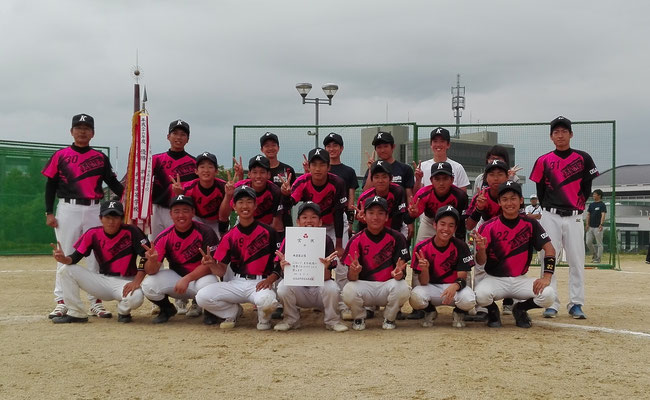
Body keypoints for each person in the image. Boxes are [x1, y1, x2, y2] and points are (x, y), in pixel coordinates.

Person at [43, 113, 123, 319]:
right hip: (68, 208)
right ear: (71, 131)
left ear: (93, 133)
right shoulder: (60, 155)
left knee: (96, 256)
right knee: (65, 255)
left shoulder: (99, 157)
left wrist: (131, 199)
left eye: (86, 128)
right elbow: (50, 184)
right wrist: (48, 212)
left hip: (94, 209)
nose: (82, 131)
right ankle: (62, 302)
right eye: (78, 127)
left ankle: (95, 302)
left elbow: (113, 184)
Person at [530, 116, 599, 319]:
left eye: (564, 131)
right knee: (548, 258)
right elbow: (540, 190)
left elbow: (587, 187)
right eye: (556, 132)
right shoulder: (543, 160)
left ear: (571, 134)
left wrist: (576, 206)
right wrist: (549, 209)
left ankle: (576, 303)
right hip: (550, 215)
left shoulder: (583, 158)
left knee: (576, 260)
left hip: (574, 216)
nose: (560, 135)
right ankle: (551, 302)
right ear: (551, 137)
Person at [473, 181, 557, 328]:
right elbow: (480, 262)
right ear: (499, 202)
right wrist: (481, 249)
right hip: (495, 279)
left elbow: (550, 250)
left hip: (520, 280)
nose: (509, 203)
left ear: (521, 200)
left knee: (549, 294)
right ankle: (493, 311)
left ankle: (520, 309)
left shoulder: (531, 224)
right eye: (504, 199)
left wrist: (546, 277)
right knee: (480, 295)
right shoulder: (488, 226)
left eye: (513, 198)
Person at [195, 185, 280, 330]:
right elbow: (221, 271)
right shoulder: (229, 236)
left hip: (260, 282)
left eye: (249, 201)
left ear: (255, 205)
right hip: (236, 282)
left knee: (267, 302)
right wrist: (211, 264)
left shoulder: (269, 232)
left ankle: (264, 319)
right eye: (240, 202)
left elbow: (279, 262)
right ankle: (233, 312)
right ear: (234, 206)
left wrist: (270, 279)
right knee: (202, 296)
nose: (244, 206)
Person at [50, 201, 147, 323]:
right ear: (100, 218)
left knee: (136, 297)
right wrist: (63, 259)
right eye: (107, 217)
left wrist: (136, 281)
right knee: (66, 269)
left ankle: (123, 311)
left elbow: (146, 256)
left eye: (116, 217)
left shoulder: (132, 231)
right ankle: (76, 313)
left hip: (126, 282)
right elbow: (75, 258)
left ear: (122, 218)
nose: (111, 221)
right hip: (103, 282)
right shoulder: (93, 233)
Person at [141, 195, 220, 324]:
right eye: (176, 211)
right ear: (170, 214)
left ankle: (210, 312)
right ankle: (167, 309)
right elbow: (151, 271)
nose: (181, 215)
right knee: (149, 285)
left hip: (200, 278)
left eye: (185, 210)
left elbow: (210, 265)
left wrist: (187, 278)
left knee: (210, 286)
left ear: (193, 213)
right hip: (177, 278)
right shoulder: (164, 236)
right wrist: (152, 261)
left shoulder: (206, 231)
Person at [273, 202, 348, 332]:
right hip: (300, 291)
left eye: (313, 217)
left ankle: (332, 321)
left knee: (332, 288)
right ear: (298, 221)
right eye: (304, 217)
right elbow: (285, 275)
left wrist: (324, 267)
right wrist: (283, 266)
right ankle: (291, 319)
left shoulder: (326, 240)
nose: (309, 221)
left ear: (320, 222)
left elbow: (327, 277)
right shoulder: (289, 239)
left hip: (319, 291)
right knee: (283, 287)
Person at [341, 196, 411, 330]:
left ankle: (389, 318)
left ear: (386, 217)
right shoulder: (356, 239)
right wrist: (354, 272)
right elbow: (351, 278)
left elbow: (401, 271)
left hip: (386, 286)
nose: (375, 217)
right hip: (365, 287)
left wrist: (398, 274)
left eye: (380, 213)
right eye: (371, 213)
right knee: (348, 290)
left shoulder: (397, 237)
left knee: (402, 287)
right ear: (364, 216)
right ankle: (359, 317)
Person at [409, 206, 476, 328]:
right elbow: (423, 282)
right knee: (415, 297)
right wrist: (425, 269)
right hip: (432, 288)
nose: (446, 229)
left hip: (454, 288)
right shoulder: (421, 247)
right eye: (442, 224)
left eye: (451, 225)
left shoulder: (461, 246)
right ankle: (430, 311)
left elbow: (462, 277)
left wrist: (455, 286)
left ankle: (459, 312)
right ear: (435, 225)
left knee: (469, 299)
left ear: (455, 228)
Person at [281, 148, 347, 257]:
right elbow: (288, 205)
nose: (317, 169)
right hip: (312, 223)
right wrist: (285, 195)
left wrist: (339, 245)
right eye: (314, 165)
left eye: (322, 165)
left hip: (334, 223)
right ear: (309, 167)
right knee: (310, 255)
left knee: (339, 262)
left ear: (328, 167)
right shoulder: (302, 181)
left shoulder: (337, 183)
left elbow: (338, 213)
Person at [361, 131, 415, 240]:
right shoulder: (372, 169)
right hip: (376, 219)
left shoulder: (405, 169)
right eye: (379, 147)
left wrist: (410, 221)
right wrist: (371, 170)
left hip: (398, 217)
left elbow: (409, 195)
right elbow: (366, 193)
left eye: (385, 146)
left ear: (393, 147)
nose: (382, 150)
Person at [150, 119, 197, 239]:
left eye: (183, 134)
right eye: (175, 133)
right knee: (155, 247)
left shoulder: (195, 163)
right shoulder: (156, 160)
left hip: (181, 210)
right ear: (168, 136)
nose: (179, 137)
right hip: (159, 208)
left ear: (188, 139)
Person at [171, 152, 229, 238]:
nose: (206, 170)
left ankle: (223, 236)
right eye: (202, 167)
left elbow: (224, 215)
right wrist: (179, 194)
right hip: (196, 219)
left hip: (216, 221)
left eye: (210, 167)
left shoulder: (224, 187)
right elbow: (184, 211)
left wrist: (229, 195)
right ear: (196, 171)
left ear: (216, 171)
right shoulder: (188, 188)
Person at [409, 161, 469, 241]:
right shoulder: (423, 194)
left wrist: (461, 242)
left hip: (451, 223)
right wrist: (412, 215)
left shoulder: (460, 196)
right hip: (430, 221)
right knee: (420, 249)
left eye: (445, 178)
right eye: (437, 179)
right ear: (431, 180)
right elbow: (407, 219)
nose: (441, 183)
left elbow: (461, 224)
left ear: (452, 179)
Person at [260, 132, 297, 240]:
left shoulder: (288, 170)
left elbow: (294, 197)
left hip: (284, 218)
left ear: (278, 148)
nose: (270, 148)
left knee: (284, 250)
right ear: (262, 149)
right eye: (266, 146)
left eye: (273, 145)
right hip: (262, 217)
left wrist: (287, 195)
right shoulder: (257, 171)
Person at [323, 133, 359, 239]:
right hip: (321, 218)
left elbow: (351, 198)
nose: (331, 149)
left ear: (341, 148)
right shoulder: (320, 170)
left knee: (339, 252)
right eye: (328, 146)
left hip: (341, 218)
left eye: (335, 145)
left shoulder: (349, 171)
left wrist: (350, 222)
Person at [355, 161, 407, 232]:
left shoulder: (398, 191)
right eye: (376, 177)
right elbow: (361, 224)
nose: (380, 181)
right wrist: (362, 219)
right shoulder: (364, 198)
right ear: (372, 180)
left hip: (393, 227)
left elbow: (398, 219)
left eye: (384, 177)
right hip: (370, 229)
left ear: (390, 179)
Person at [585, 190, 607, 263]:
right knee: (588, 242)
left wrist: (601, 224)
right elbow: (588, 214)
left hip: (598, 227)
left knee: (599, 243)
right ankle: (594, 254)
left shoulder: (602, 205)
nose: (593, 196)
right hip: (590, 227)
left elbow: (603, 215)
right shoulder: (591, 205)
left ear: (599, 195)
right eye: (593, 194)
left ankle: (598, 258)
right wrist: (587, 224)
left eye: (595, 194)